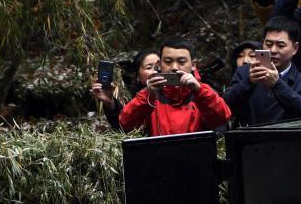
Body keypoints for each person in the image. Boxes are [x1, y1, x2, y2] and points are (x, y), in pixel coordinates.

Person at [93, 36, 231, 136]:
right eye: (168, 61)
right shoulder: (149, 94)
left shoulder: (203, 92)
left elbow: (222, 118)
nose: (175, 67)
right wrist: (149, 96)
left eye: (181, 61)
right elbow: (125, 124)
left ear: (193, 65)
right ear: (159, 64)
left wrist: (199, 90)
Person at [222, 16, 301, 126]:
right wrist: (248, 82)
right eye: (268, 44)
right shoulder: (244, 72)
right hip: (247, 135)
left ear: (295, 48)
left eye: (280, 45)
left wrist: (277, 85)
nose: (273, 50)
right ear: (263, 43)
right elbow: (225, 107)